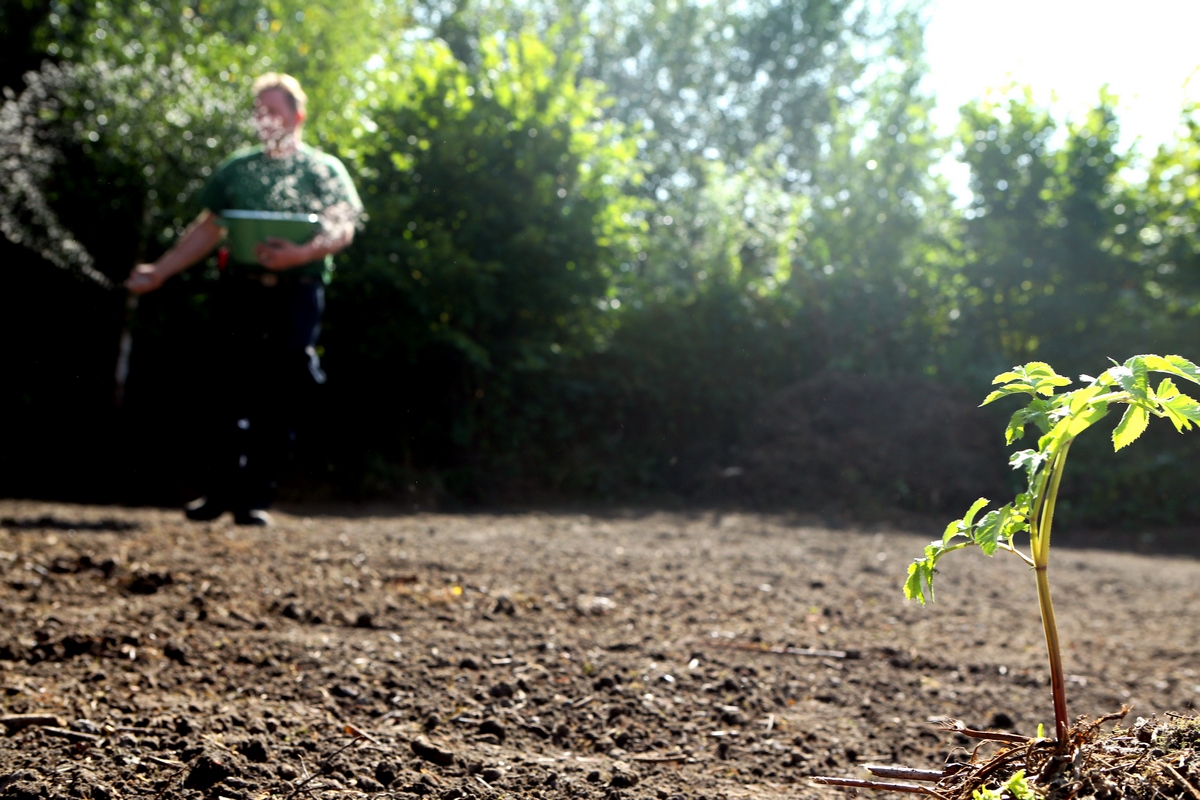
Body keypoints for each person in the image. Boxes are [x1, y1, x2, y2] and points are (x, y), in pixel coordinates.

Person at [126, 73, 362, 525]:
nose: (265, 119)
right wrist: (160, 271)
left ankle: (254, 498)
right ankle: (219, 492)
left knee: (282, 391)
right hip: (240, 292)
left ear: (298, 115)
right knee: (225, 388)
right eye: (260, 111)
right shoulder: (237, 169)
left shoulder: (323, 170)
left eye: (274, 110)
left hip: (298, 295)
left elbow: (342, 227)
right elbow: (209, 229)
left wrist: (301, 254)